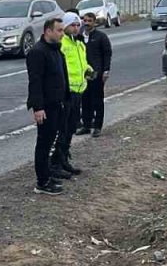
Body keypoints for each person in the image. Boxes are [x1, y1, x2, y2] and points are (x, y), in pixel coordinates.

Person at [26, 17, 68, 195]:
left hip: (58, 103)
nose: (62, 33)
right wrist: (38, 107)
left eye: (62, 30)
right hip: (46, 106)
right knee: (43, 143)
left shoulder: (56, 50)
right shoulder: (38, 52)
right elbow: (35, 82)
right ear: (48, 31)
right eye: (59, 30)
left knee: (52, 140)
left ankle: (48, 173)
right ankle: (42, 182)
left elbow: (61, 76)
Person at [53, 13, 92, 177]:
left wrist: (89, 70)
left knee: (70, 129)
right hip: (66, 93)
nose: (76, 28)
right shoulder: (62, 43)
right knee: (62, 130)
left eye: (78, 25)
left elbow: (81, 63)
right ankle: (56, 164)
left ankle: (63, 160)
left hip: (78, 91)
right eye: (72, 25)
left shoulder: (79, 43)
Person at [77, 12, 112, 138]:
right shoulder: (79, 37)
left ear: (94, 22)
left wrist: (106, 70)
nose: (86, 23)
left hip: (97, 73)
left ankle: (97, 126)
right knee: (85, 100)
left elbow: (107, 54)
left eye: (89, 21)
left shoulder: (101, 37)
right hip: (83, 74)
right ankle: (86, 125)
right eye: (85, 20)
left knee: (97, 100)